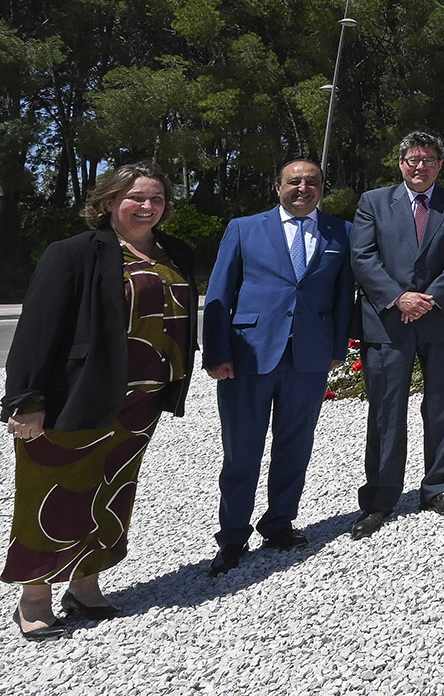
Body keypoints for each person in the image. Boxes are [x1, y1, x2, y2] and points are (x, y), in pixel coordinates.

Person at [4, 163, 195, 638]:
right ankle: (33, 597)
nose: (147, 206)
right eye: (135, 197)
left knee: (112, 492)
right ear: (109, 201)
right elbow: (37, 330)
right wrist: (26, 399)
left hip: (142, 402)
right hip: (79, 395)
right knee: (51, 492)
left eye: (156, 198)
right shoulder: (73, 253)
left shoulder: (175, 253)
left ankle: (85, 586)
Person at [203, 158, 355, 576]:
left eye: (312, 182)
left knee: (295, 445)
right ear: (277, 186)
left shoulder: (340, 232)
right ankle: (233, 536)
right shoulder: (244, 228)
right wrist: (216, 353)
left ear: (322, 187)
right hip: (249, 355)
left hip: (308, 357)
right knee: (241, 450)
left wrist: (338, 345)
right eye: (294, 182)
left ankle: (279, 523)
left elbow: (344, 295)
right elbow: (220, 291)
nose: (303, 188)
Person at [348, 132, 444, 537]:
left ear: (440, 165)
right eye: (412, 159)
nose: (419, 166)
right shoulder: (373, 202)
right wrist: (398, 297)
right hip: (388, 322)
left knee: (443, 407)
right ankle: (380, 498)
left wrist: (431, 297)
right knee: (386, 412)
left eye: (428, 159)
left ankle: (439, 487)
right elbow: (362, 256)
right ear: (400, 162)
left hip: (440, 320)